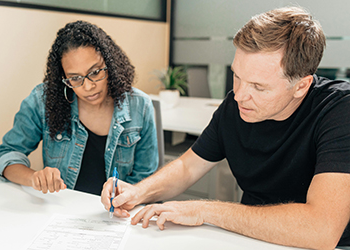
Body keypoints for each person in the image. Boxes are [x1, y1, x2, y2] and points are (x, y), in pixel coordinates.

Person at [101, 6, 350, 249]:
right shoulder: (236, 104)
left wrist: (203, 210)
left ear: (301, 86)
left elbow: (321, 231)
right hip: (250, 238)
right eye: (237, 76)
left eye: (258, 87)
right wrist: (137, 192)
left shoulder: (340, 110)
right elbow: (188, 167)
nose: (240, 95)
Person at [0, 20, 158, 196]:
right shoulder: (44, 100)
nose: (88, 86)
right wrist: (34, 177)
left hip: (116, 214)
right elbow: (7, 154)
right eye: (75, 78)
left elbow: (146, 179)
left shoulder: (139, 105)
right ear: (63, 77)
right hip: (62, 211)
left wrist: (123, 198)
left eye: (95, 72)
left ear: (110, 65)